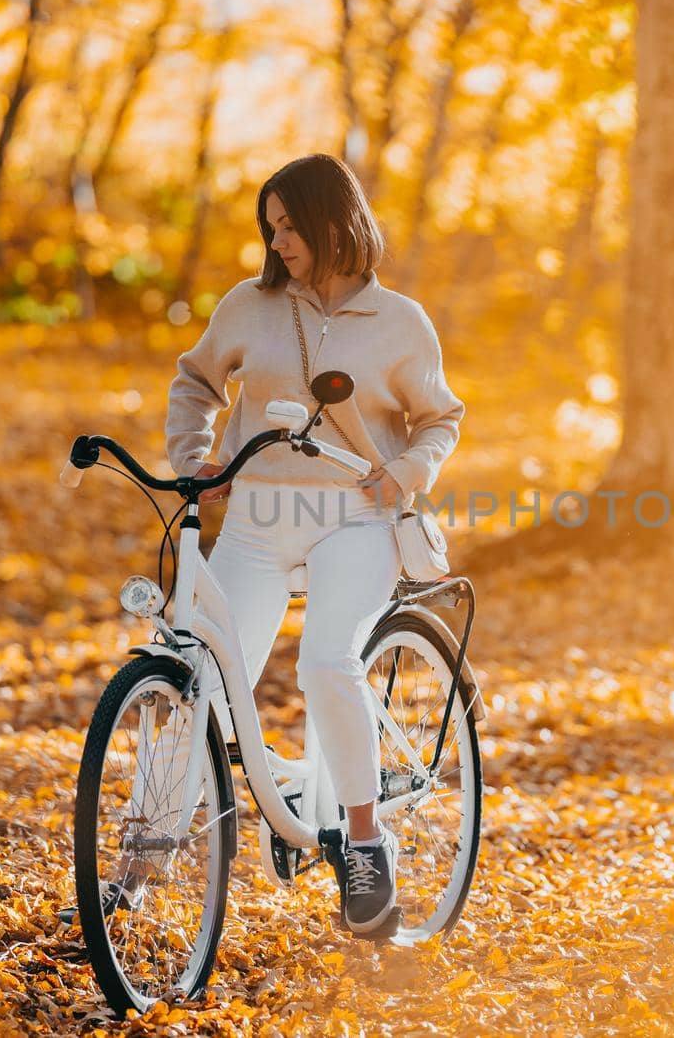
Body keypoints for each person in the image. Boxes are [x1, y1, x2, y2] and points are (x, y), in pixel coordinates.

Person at [165, 153, 465, 934]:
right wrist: (192, 456)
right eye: (272, 228)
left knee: (328, 662)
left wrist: (407, 470)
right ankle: (140, 851)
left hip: (354, 518)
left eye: (292, 224)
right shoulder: (249, 304)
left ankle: (364, 843)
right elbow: (196, 380)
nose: (280, 241)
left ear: (336, 220)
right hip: (258, 521)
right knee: (200, 671)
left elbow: (441, 418)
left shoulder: (402, 322)